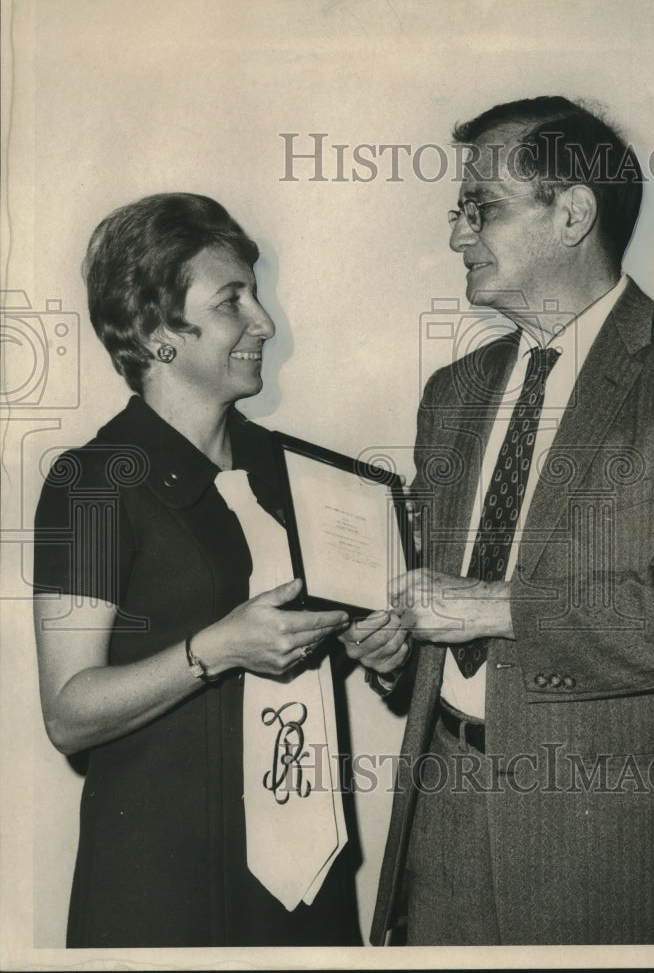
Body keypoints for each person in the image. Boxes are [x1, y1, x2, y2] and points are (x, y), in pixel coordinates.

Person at [371, 97, 654, 945]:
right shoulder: (451, 395)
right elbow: (429, 608)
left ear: (572, 212)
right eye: (458, 212)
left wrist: (489, 606)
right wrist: (389, 642)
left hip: (613, 842)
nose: (456, 235)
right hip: (439, 817)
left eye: (478, 206)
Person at [33, 193, 410, 947]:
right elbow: (68, 713)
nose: (263, 323)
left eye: (255, 296)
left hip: (311, 891)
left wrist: (386, 655)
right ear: (153, 330)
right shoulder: (96, 482)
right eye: (231, 300)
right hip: (159, 886)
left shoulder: (314, 479)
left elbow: (382, 665)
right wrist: (218, 650)